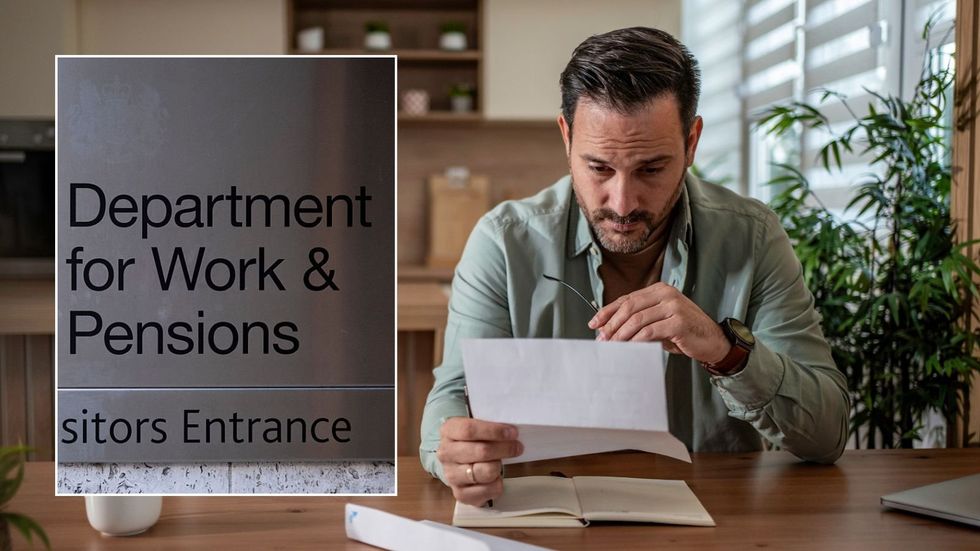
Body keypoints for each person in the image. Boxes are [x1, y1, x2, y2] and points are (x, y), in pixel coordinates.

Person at [419, 26, 850, 506]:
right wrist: (452, 453)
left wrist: (724, 350)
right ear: (566, 137)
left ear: (692, 142)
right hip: (545, 515)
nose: (622, 203)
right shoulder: (503, 242)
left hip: (717, 520)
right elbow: (452, 398)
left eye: (651, 169)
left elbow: (827, 435)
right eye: (600, 167)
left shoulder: (752, 237)